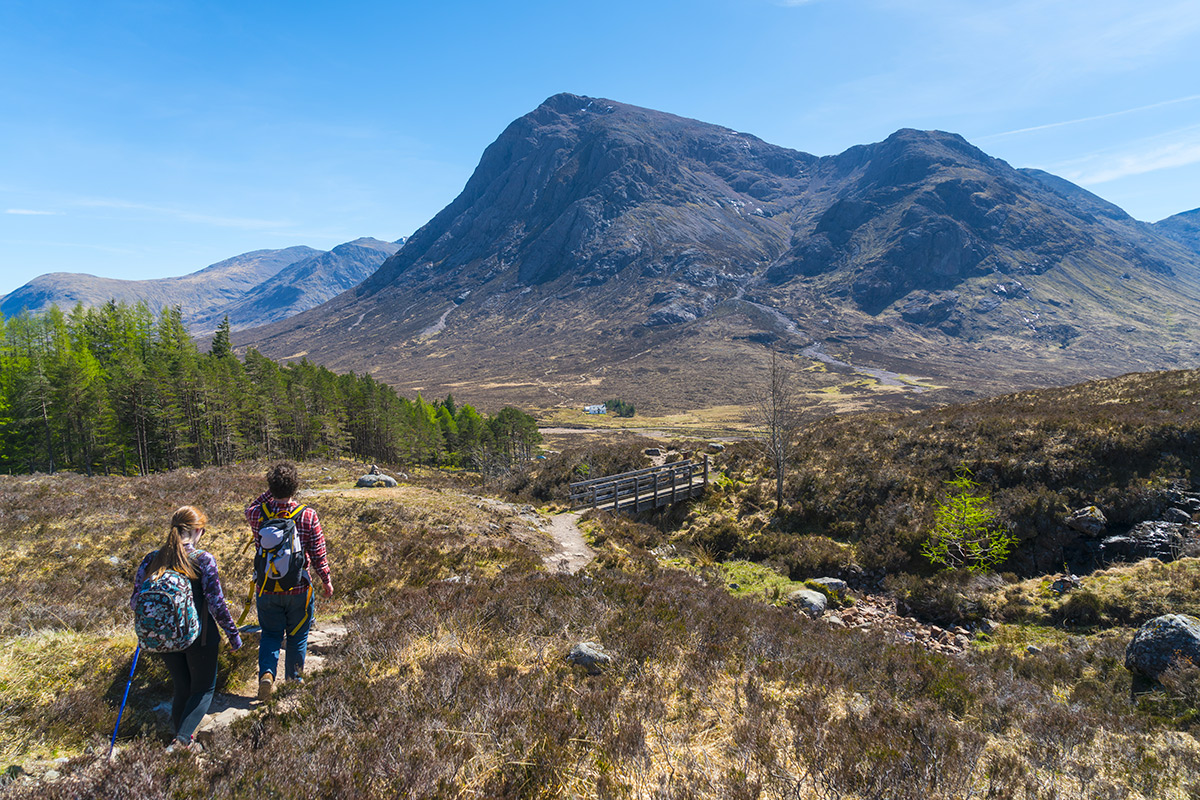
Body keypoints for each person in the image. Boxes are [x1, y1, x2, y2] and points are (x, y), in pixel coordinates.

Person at [131, 506, 243, 752]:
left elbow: (134, 601)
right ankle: (182, 742)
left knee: (182, 686)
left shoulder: (151, 559)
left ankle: (178, 738)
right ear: (198, 531)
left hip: (163, 636)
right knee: (203, 689)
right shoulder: (203, 559)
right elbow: (216, 603)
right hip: (200, 638)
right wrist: (233, 636)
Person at [245, 462, 333, 700]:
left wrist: (270, 493)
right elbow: (317, 553)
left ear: (270, 488)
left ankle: (267, 674)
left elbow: (251, 505)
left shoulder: (257, 514)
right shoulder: (307, 515)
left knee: (271, 634)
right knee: (297, 636)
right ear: (296, 488)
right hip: (299, 588)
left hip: (267, 588)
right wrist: (326, 580)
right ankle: (293, 683)